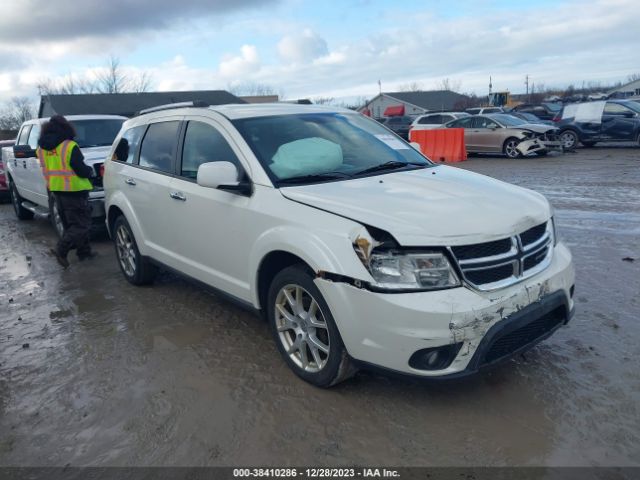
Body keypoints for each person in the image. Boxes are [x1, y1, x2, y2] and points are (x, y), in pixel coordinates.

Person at [37, 115, 96, 268]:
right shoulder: (69, 146)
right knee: (82, 225)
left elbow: (46, 168)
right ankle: (61, 249)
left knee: (72, 224)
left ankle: (84, 253)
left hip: (56, 190)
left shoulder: (42, 149)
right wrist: (91, 172)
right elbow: (81, 169)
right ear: (66, 128)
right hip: (75, 190)